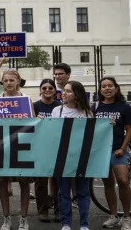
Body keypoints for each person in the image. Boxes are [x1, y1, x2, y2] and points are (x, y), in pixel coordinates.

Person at [52, 81, 94, 230]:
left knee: (83, 191)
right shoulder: (57, 111)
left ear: (77, 94)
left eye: (68, 91)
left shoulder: (87, 113)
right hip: (62, 157)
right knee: (63, 192)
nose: (64, 93)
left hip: (82, 157)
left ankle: (84, 224)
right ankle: (66, 224)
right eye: (64, 90)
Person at [0, 69, 32, 230]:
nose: (9, 83)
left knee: (24, 182)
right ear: (2, 82)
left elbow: (33, 123)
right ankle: (6, 218)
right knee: (3, 181)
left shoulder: (26, 99)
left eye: (12, 80)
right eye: (6, 80)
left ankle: (23, 218)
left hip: (22, 145)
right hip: (2, 146)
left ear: (18, 81)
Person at [94, 76, 131, 229]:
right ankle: (114, 215)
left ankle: (127, 217)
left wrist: (123, 148)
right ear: (100, 90)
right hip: (101, 150)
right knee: (108, 182)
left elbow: (129, 130)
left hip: (118, 149)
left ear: (116, 88)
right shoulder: (95, 106)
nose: (107, 89)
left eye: (110, 86)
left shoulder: (124, 106)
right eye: (104, 86)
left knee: (123, 180)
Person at [32, 79, 61, 223]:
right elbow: (28, 125)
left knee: (57, 181)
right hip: (40, 148)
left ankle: (58, 210)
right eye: (44, 88)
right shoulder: (35, 106)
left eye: (50, 88)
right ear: (40, 90)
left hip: (56, 148)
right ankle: (43, 211)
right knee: (41, 182)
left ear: (55, 90)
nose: (47, 90)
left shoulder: (60, 107)